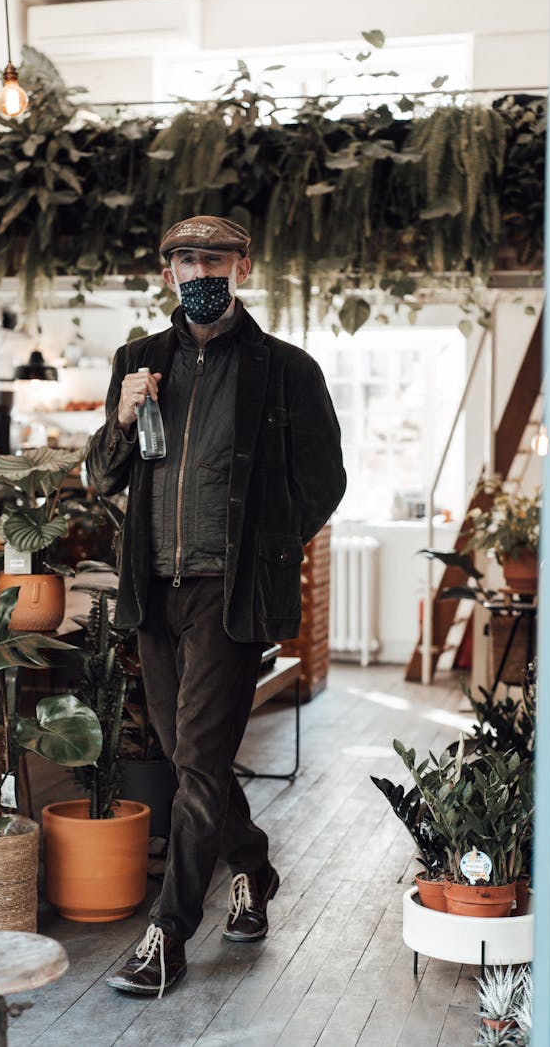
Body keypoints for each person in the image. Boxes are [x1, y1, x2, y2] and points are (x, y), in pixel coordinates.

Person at [86, 214, 346, 997]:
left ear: (241, 265)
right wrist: (123, 419)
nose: (199, 269)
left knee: (195, 759)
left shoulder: (286, 369)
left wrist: (269, 547)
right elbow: (103, 475)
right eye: (184, 258)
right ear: (167, 272)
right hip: (154, 590)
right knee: (187, 756)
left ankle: (167, 933)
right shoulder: (138, 360)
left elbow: (323, 478)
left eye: (214, 257)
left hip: (230, 596)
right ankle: (254, 868)